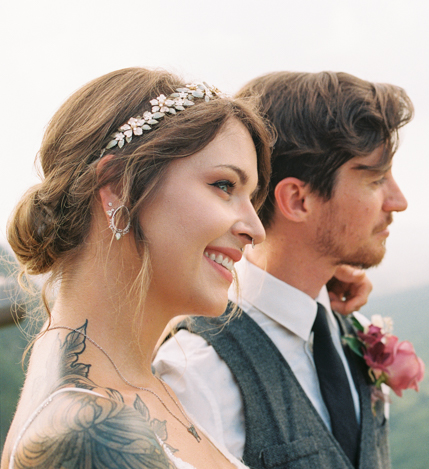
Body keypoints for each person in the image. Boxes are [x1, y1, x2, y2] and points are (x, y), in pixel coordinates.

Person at [1, 67, 273, 469]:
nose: (255, 230)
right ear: (118, 186)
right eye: (224, 185)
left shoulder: (132, 379)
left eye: (250, 198)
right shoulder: (87, 434)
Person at [154, 71, 414, 469]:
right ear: (297, 199)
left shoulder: (353, 328)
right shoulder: (198, 373)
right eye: (376, 179)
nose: (398, 201)